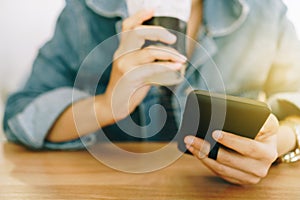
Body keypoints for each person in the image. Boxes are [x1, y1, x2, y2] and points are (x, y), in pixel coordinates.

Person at [3, 0, 300, 185]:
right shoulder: (84, 10)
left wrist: (279, 143)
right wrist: (106, 106)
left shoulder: (265, 11)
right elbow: (20, 114)